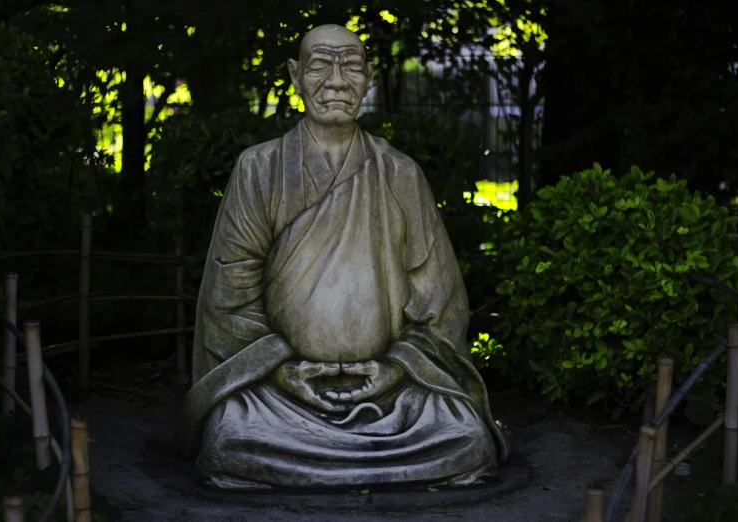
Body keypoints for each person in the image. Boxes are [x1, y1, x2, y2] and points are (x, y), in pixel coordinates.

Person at [178, 24, 508, 489]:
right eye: (319, 65)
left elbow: (441, 305)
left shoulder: (400, 173)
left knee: (466, 438)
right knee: (231, 439)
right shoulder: (259, 169)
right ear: (295, 75)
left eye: (351, 66)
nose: (336, 81)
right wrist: (284, 370)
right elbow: (229, 298)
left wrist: (394, 368)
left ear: (369, 76)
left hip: (393, 391)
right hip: (280, 391)